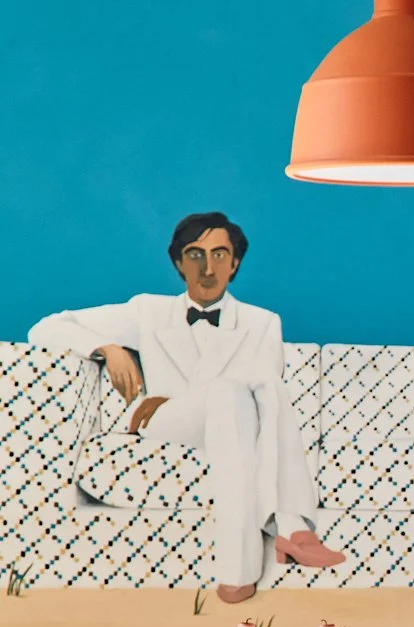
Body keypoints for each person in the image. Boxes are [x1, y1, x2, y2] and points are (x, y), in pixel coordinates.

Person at [28, 212, 344, 604]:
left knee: (241, 395)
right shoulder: (148, 311)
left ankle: (240, 572)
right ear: (178, 262)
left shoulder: (263, 322)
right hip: (168, 421)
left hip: (234, 419)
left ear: (236, 262)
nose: (207, 268)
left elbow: (261, 404)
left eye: (219, 254)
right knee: (249, 390)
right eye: (195, 255)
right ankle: (293, 527)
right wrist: (106, 348)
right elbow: (45, 327)